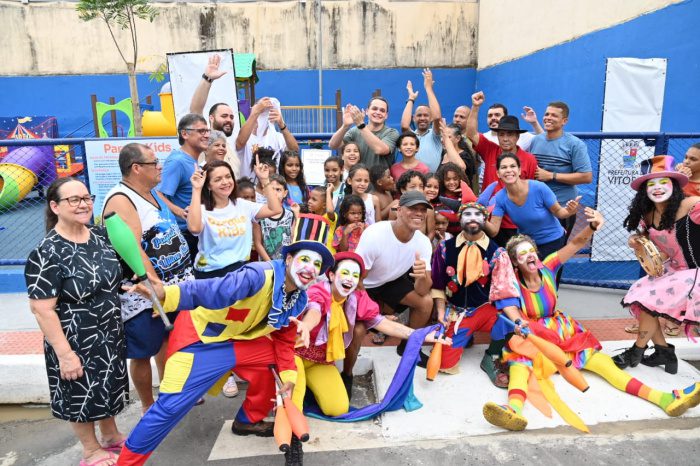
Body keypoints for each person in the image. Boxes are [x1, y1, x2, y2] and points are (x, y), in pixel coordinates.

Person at [117, 215, 335, 466]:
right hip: (201, 340)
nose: (310, 268)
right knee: (170, 407)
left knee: (276, 362)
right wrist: (167, 292)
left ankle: (247, 420)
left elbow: (283, 341)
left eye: (317, 264)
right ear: (288, 259)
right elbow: (211, 289)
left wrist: (287, 379)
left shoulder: (298, 298)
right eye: (305, 259)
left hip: (239, 340)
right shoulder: (258, 275)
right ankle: (126, 463)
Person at [482, 208, 700, 432]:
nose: (529, 255)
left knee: (603, 363)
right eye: (522, 254)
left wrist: (592, 227)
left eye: (531, 251)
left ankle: (665, 398)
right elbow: (511, 309)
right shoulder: (512, 282)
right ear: (515, 263)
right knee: (520, 366)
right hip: (534, 336)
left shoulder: (548, 266)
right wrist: (520, 323)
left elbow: (575, 243)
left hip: (562, 332)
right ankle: (513, 411)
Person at [25, 178, 127, 466]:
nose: (83, 204)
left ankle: (110, 435)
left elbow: (109, 278)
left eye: (86, 198)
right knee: (80, 392)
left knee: (107, 385)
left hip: (108, 331)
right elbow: (42, 309)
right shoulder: (46, 252)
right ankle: (91, 450)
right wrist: (65, 354)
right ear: (55, 206)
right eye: (74, 199)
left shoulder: (99, 235)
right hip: (75, 338)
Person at [292, 252, 451, 413]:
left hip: (321, 361)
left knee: (338, 409)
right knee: (294, 402)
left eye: (355, 275)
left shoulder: (356, 297)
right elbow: (314, 310)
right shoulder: (318, 292)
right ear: (332, 275)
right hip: (294, 356)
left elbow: (382, 323)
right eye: (345, 273)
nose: (349, 279)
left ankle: (308, 383)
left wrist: (421, 335)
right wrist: (306, 326)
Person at [102, 143, 194, 415]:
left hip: (173, 285)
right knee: (144, 349)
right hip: (145, 291)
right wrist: (156, 288)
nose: (160, 167)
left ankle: (170, 392)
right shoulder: (121, 199)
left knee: (170, 341)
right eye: (154, 163)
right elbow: (133, 248)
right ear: (136, 168)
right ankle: (147, 405)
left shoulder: (150, 190)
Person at [614, 156, 700, 373]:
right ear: (644, 190)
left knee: (648, 300)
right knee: (641, 294)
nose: (658, 188)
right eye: (651, 184)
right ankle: (663, 352)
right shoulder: (648, 215)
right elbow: (658, 251)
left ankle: (636, 351)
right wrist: (637, 242)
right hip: (675, 271)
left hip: (695, 273)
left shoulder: (691, 206)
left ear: (674, 185)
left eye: (664, 182)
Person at [431, 202, 508, 387]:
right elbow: (438, 284)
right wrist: (441, 313)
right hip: (457, 313)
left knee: (510, 325)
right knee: (445, 364)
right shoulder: (444, 248)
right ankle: (465, 336)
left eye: (477, 214)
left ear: (485, 218)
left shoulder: (497, 252)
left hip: (485, 309)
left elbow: (504, 290)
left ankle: (491, 356)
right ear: (459, 219)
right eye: (467, 214)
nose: (472, 218)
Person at [355, 191, 434, 368]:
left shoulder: (423, 242)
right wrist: (373, 314)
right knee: (358, 329)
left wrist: (421, 276)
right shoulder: (376, 234)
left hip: (390, 281)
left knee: (426, 302)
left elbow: (423, 290)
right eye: (413, 208)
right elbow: (357, 278)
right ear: (398, 210)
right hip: (364, 285)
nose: (419, 213)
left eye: (423, 209)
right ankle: (347, 371)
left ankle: (409, 348)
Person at [188, 158, 282, 279]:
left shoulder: (243, 205)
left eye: (228, 176)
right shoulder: (200, 210)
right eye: (218, 179)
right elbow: (194, 229)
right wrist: (196, 189)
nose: (225, 182)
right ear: (209, 186)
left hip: (240, 272)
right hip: (210, 275)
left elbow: (275, 209)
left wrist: (264, 180)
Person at [484, 153, 580, 261]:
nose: (508, 170)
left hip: (553, 241)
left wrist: (570, 210)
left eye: (512, 166)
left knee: (547, 277)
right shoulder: (500, 198)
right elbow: (493, 231)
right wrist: (479, 216)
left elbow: (559, 212)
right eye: (504, 167)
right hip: (527, 246)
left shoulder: (539, 188)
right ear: (498, 173)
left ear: (519, 170)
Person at [529, 101, 592, 239]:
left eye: (554, 115)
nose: (548, 118)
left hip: (563, 208)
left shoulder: (575, 144)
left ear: (564, 121)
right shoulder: (536, 140)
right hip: (536, 207)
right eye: (546, 114)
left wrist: (552, 175)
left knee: (556, 255)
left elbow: (586, 176)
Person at [157, 113, 211, 264]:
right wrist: (180, 211)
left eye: (207, 131)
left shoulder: (190, 160)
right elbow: (157, 194)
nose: (206, 135)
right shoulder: (178, 161)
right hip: (185, 235)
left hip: (196, 231)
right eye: (201, 131)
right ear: (185, 134)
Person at [189, 54, 242, 176]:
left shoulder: (230, 147)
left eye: (231, 117)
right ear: (211, 118)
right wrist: (207, 79)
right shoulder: (203, 140)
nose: (229, 120)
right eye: (224, 116)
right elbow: (195, 111)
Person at [329, 97, 399, 172]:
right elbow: (333, 145)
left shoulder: (391, 132)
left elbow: (380, 149)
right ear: (367, 111)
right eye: (374, 109)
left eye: (382, 110)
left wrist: (361, 125)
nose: (378, 112)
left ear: (386, 115)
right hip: (358, 182)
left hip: (380, 182)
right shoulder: (355, 131)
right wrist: (345, 126)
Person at [236, 96, 299, 180]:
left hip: (271, 188)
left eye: (269, 112)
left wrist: (282, 125)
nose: (265, 116)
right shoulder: (246, 135)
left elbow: (294, 151)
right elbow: (239, 143)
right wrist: (256, 112)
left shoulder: (277, 137)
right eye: (262, 111)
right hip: (248, 189)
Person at [399, 69, 443, 171]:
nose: (422, 118)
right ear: (414, 118)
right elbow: (404, 126)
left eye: (426, 115)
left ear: (430, 118)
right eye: (419, 115)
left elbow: (437, 117)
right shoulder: (411, 136)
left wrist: (428, 88)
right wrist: (411, 98)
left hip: (431, 183)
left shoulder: (435, 134)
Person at [253, 174, 297, 261]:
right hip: (266, 265)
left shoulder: (290, 215)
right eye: (271, 189)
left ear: (285, 193)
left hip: (286, 263)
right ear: (264, 191)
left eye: (278, 189)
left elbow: (292, 239)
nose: (274, 193)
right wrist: (271, 263)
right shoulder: (259, 214)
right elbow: (257, 243)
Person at [440, 121, 480, 194]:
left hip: (461, 198)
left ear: (458, 138)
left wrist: (447, 142)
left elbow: (461, 167)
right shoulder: (443, 153)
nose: (443, 140)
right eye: (442, 136)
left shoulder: (465, 156)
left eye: (448, 137)